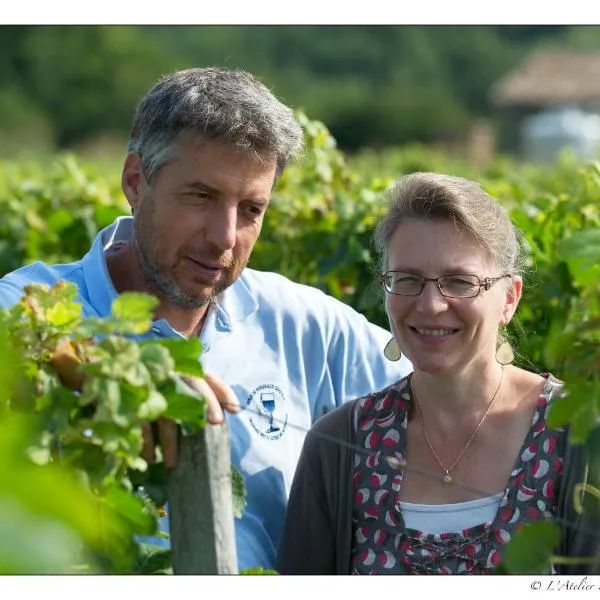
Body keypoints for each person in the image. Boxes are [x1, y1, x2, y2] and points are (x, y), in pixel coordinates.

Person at [0, 67, 412, 571]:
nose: (224, 236)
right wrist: (123, 376)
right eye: (201, 197)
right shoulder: (34, 305)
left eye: (250, 210)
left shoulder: (304, 324)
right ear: (136, 181)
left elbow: (439, 387)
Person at [277, 171, 600, 575]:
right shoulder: (339, 445)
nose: (430, 305)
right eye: (407, 279)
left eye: (459, 282)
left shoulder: (577, 432)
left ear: (509, 299)